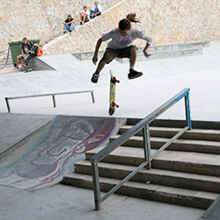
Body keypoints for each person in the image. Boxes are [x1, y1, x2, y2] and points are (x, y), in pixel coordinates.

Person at [91, 13, 153, 83]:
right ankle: (96, 73)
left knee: (133, 48)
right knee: (105, 58)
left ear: (129, 29)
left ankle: (131, 71)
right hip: (113, 49)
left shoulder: (135, 31)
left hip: (125, 50)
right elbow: (100, 40)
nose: (122, 33)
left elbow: (150, 39)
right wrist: (95, 54)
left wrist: (145, 50)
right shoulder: (115, 32)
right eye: (120, 31)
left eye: (124, 32)